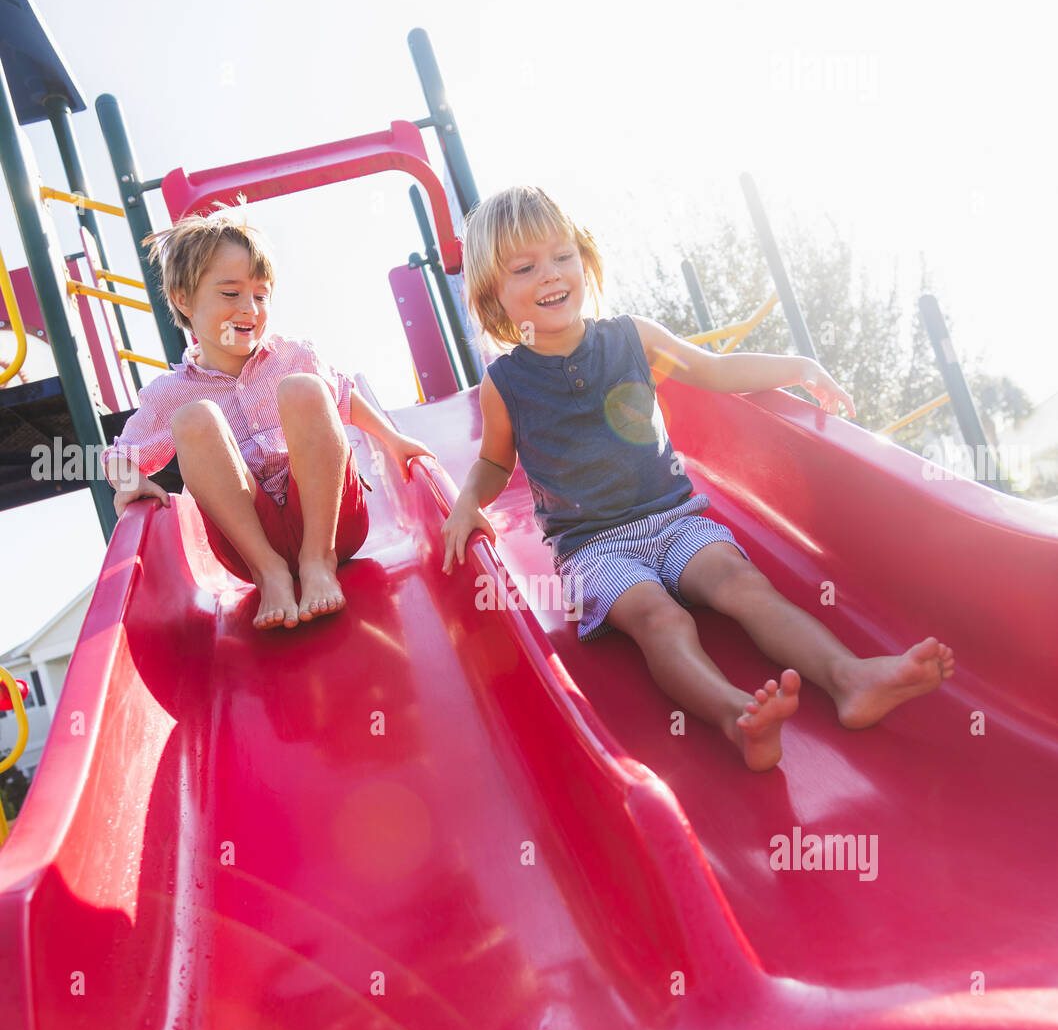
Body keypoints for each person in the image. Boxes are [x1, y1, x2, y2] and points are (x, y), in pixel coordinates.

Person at [441, 186, 954, 772]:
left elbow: (714, 370)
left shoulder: (631, 337)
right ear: (495, 295)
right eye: (525, 268)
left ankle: (849, 678)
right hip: (590, 549)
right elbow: (494, 462)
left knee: (741, 584)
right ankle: (735, 717)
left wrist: (799, 366)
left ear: (584, 259)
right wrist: (466, 501)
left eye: (562, 256)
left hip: (674, 517)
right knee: (662, 618)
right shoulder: (505, 382)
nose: (551, 275)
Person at [101, 202, 434, 630]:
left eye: (261, 295)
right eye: (230, 293)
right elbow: (119, 455)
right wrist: (132, 484)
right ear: (184, 299)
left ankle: (318, 560)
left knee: (304, 388)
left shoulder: (291, 355)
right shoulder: (172, 392)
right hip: (249, 543)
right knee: (194, 419)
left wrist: (395, 442)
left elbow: (344, 397)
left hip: (332, 523)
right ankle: (270, 573)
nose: (250, 308)